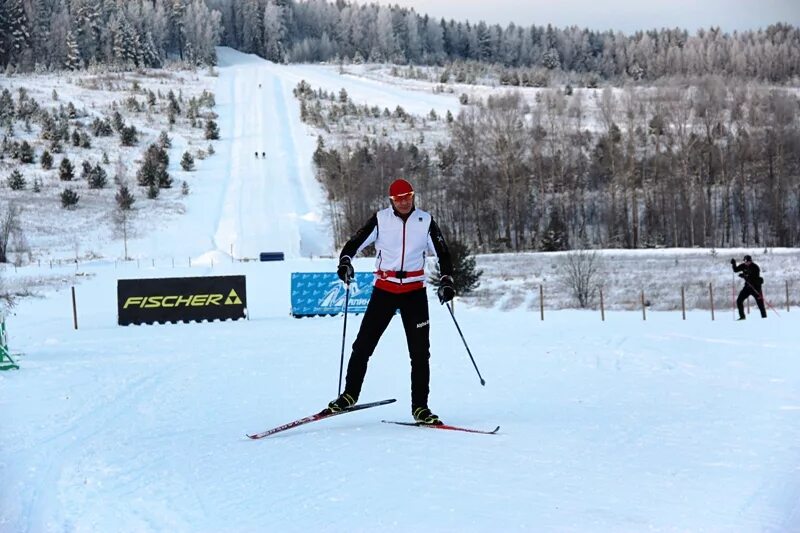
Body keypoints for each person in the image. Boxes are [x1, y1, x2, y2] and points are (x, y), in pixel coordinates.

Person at [326, 178, 454, 425]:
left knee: (419, 354)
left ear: (413, 196)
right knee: (362, 345)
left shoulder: (425, 221)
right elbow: (354, 243)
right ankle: (349, 395)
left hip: (414, 293)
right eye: (399, 198)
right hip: (384, 290)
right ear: (391, 200)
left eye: (408, 196)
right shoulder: (380, 219)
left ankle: (421, 408)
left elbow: (443, 252)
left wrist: (447, 280)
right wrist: (344, 262)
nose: (404, 201)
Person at [731, 254, 767, 320]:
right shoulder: (743, 265)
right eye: (745, 261)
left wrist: (744, 276)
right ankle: (742, 317)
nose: (746, 263)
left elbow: (754, 279)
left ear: (750, 261)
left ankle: (764, 318)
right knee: (739, 301)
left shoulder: (755, 267)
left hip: (755, 288)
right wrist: (733, 264)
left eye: (747, 261)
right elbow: (736, 270)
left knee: (760, 304)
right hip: (747, 287)